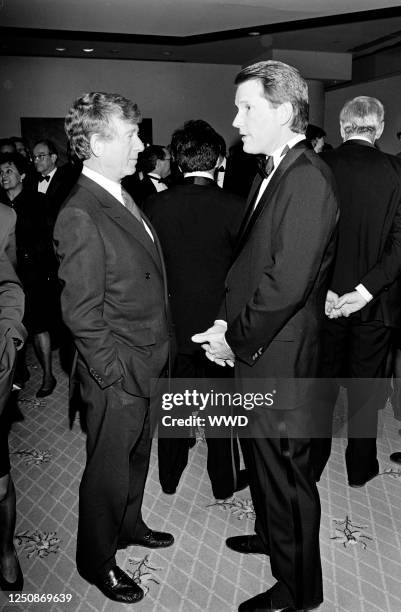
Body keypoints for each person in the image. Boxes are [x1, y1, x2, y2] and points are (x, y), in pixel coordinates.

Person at [193, 60, 338, 612]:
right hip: (262, 344)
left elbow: (285, 283)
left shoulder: (307, 177)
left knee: (287, 471)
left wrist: (237, 338)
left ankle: (299, 589)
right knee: (268, 465)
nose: (236, 120)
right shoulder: (274, 167)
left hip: (280, 353)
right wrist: (230, 321)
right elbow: (255, 262)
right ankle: (274, 536)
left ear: (282, 110)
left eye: (246, 108)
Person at [53, 92, 174, 604]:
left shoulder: (120, 193)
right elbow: (81, 314)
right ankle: (96, 561)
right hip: (119, 372)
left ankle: (129, 526)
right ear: (99, 143)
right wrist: (114, 375)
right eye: (131, 135)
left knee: (136, 457)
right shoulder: (81, 212)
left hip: (148, 359)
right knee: (106, 471)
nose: (141, 145)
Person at [144, 119, 246, 499]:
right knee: (221, 410)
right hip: (219, 326)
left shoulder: (153, 204)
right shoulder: (236, 207)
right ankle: (223, 482)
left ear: (178, 159)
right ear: (218, 158)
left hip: (171, 323)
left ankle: (169, 479)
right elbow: (243, 273)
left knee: (174, 406)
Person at [311, 96, 401, 486]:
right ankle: (360, 467)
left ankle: (311, 461)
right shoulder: (398, 171)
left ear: (343, 127)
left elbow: (304, 240)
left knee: (320, 384)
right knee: (366, 387)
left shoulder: (317, 166)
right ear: (378, 129)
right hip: (376, 302)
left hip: (324, 302)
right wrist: (366, 291)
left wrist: (326, 289)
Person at [0, 152, 57, 397]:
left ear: (22, 174)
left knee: (38, 326)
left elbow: (49, 240)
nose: (4, 176)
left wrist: (45, 274)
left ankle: (48, 375)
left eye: (9, 171)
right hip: (7, 277)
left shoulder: (37, 201)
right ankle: (17, 375)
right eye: (1, 172)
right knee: (11, 328)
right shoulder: (0, 206)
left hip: (34, 276)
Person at [0, 202, 26, 592]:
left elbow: (9, 285)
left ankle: (5, 549)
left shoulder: (3, 217)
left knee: (0, 485)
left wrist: (8, 342)